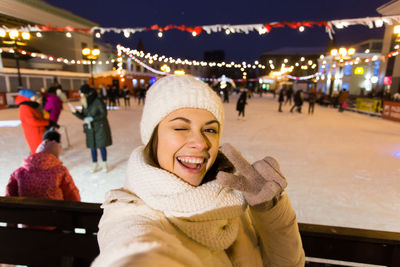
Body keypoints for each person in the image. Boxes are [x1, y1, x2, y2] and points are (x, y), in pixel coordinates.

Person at [92, 75, 305, 267]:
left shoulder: (229, 199)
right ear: (153, 137)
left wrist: (270, 210)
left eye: (210, 130)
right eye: (180, 128)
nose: (201, 143)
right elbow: (133, 245)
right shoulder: (128, 212)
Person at [6, 134, 80, 202]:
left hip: (25, 213)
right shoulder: (60, 171)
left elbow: (10, 196)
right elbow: (71, 195)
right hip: (55, 213)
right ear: (55, 156)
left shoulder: (19, 172)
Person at [72, 84, 112, 173]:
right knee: (92, 147)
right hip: (90, 128)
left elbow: (104, 114)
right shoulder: (85, 102)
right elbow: (84, 116)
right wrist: (76, 113)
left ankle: (105, 164)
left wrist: (93, 118)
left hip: (100, 127)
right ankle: (95, 164)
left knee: (101, 146)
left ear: (86, 93)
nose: (80, 95)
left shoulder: (97, 101)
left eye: (81, 93)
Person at [15, 89, 53, 154]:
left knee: (42, 149)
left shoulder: (31, 106)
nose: (35, 98)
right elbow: (33, 122)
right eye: (34, 96)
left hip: (39, 131)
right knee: (37, 150)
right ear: (28, 97)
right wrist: (47, 123)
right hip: (34, 133)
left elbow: (38, 118)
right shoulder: (24, 107)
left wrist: (48, 121)